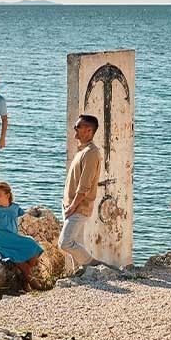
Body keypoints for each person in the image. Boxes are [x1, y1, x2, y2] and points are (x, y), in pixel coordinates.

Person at [59, 113, 103, 269]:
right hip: (71, 205)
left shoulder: (91, 153)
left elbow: (84, 186)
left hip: (78, 207)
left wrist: (72, 207)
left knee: (65, 243)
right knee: (76, 244)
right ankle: (82, 275)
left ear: (89, 130)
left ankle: (94, 265)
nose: (74, 129)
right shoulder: (82, 151)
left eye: (77, 126)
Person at [0, 182, 43, 291]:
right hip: (3, 243)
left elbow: (25, 215)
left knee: (34, 246)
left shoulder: (15, 207)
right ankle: (33, 284)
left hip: (15, 239)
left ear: (7, 195)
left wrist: (37, 213)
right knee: (20, 261)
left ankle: (23, 280)